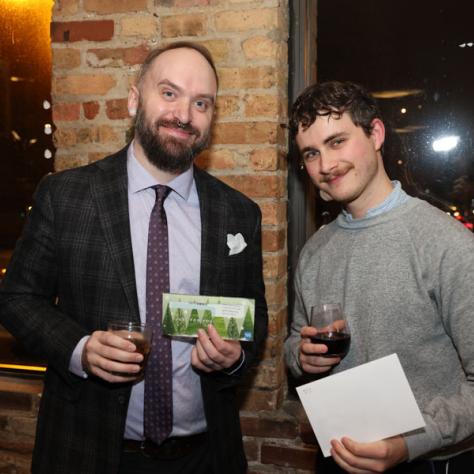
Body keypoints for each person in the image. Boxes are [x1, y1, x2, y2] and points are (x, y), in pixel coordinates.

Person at [0, 42, 267, 474]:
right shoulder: (66, 196)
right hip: (89, 451)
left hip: (205, 457)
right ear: (133, 99)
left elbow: (254, 319)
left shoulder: (238, 213)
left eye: (201, 102)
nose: (184, 114)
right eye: (169, 93)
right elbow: (15, 298)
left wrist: (234, 357)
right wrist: (80, 349)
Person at [284, 81, 474, 473]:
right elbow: (294, 343)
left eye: (337, 142)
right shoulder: (315, 251)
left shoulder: (445, 242)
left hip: (429, 461)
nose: (326, 165)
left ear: (375, 134)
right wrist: (302, 357)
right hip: (338, 457)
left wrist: (409, 445)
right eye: (312, 153)